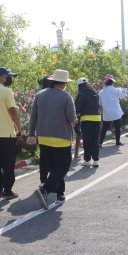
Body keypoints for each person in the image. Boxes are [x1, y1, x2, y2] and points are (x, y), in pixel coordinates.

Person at [28, 69, 78, 208]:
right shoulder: (66, 96)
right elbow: (72, 119)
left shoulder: (40, 95)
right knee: (63, 167)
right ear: (64, 83)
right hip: (61, 137)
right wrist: (76, 121)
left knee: (54, 168)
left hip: (43, 137)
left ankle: (60, 194)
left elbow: (33, 116)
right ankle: (45, 190)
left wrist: (31, 134)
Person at [0, 67, 23, 199]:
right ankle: (7, 190)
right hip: (6, 134)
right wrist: (19, 129)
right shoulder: (6, 91)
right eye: (8, 76)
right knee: (8, 163)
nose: (9, 79)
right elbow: (13, 112)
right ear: (0, 77)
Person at [75, 77, 101, 167]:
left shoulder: (81, 94)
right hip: (97, 118)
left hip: (86, 119)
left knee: (87, 140)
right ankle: (96, 160)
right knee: (95, 140)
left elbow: (76, 108)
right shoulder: (95, 93)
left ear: (79, 85)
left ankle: (87, 160)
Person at [99, 75, 126, 147]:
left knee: (104, 128)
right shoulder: (116, 90)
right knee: (117, 127)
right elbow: (122, 96)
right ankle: (117, 142)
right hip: (116, 111)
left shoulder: (101, 92)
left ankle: (100, 143)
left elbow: (100, 103)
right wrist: (123, 88)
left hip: (107, 112)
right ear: (112, 82)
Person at [37, 75, 52, 186]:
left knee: (43, 156)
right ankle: (53, 180)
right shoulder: (56, 94)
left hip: (41, 131)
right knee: (54, 157)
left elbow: (34, 115)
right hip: (54, 131)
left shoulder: (39, 95)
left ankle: (43, 181)